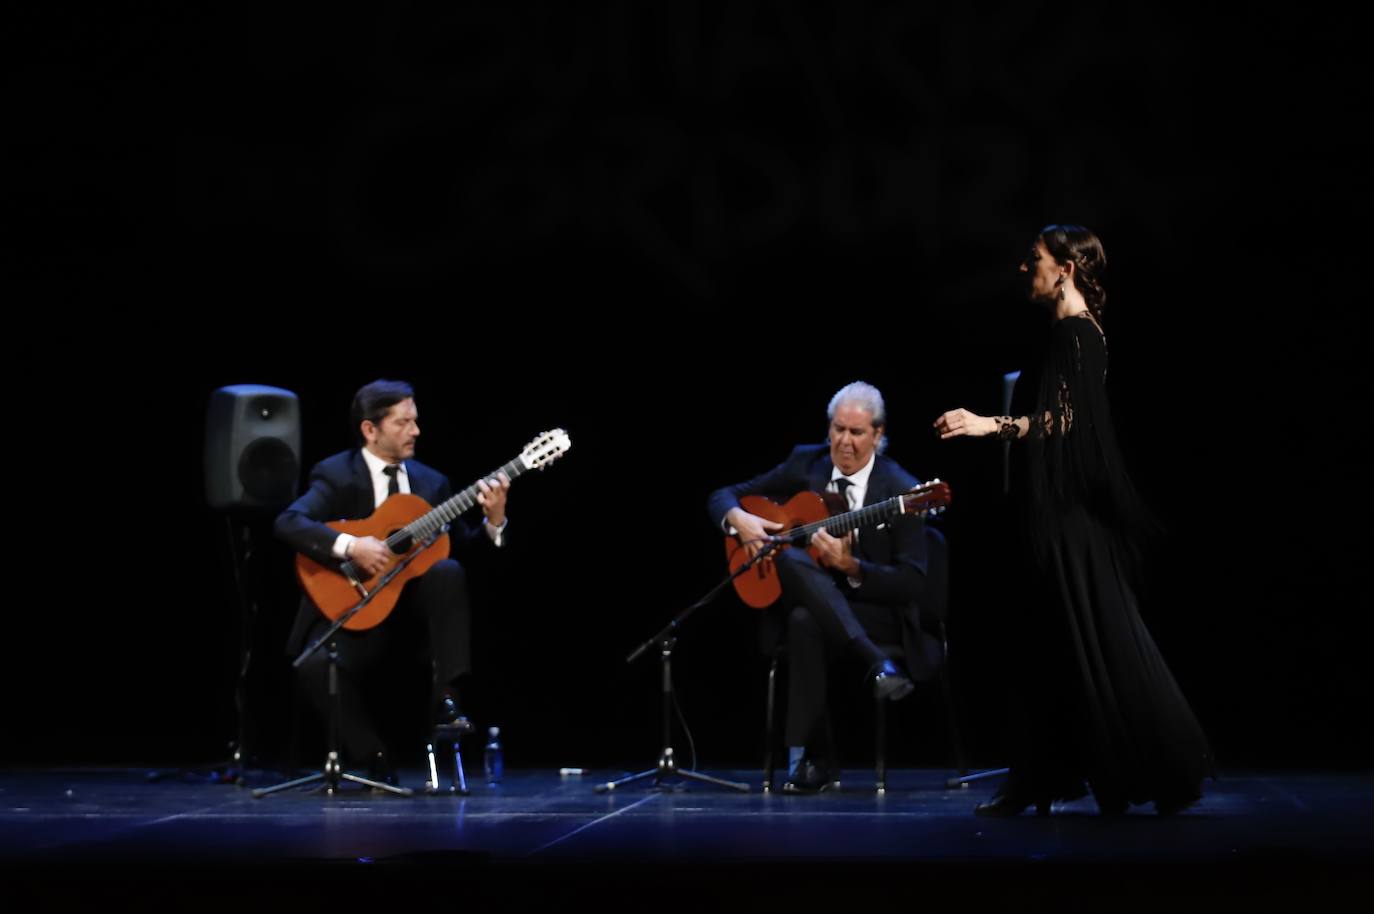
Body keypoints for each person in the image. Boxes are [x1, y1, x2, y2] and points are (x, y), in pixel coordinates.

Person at [933, 225, 1211, 816]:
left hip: (1070, 521)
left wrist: (988, 425)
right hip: (1060, 514)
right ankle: (1042, 775)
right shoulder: (1074, 334)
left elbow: (1063, 426)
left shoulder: (1077, 336)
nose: (1023, 268)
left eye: (1033, 259)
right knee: (1053, 643)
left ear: (1063, 268)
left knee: (1091, 638)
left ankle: (1153, 763)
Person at [707, 381, 938, 793]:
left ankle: (815, 761)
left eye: (857, 432)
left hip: (875, 612)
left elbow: (911, 583)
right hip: (818, 611)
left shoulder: (903, 489)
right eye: (837, 429)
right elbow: (722, 495)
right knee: (800, 604)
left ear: (878, 435)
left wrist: (852, 566)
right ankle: (870, 674)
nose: (844, 442)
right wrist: (739, 520)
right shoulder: (806, 463)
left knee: (802, 614)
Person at [275, 379, 509, 780]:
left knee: (448, 570)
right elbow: (289, 522)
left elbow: (462, 549)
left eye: (415, 421)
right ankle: (375, 761)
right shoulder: (335, 475)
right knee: (313, 666)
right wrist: (352, 546)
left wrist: (494, 520)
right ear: (371, 429)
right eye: (403, 423)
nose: (415, 431)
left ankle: (447, 703)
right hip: (362, 616)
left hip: (415, 624)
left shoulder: (431, 483)